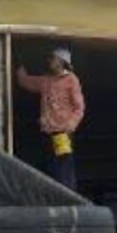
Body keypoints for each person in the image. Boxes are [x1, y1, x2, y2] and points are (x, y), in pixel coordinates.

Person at [16, 47, 85, 190]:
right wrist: (18, 64)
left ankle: (68, 197)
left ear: (61, 62)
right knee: (50, 165)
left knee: (63, 165)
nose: (49, 61)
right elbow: (25, 81)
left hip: (62, 132)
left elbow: (79, 107)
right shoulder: (46, 80)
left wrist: (71, 124)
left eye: (52, 59)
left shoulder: (71, 80)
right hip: (46, 131)